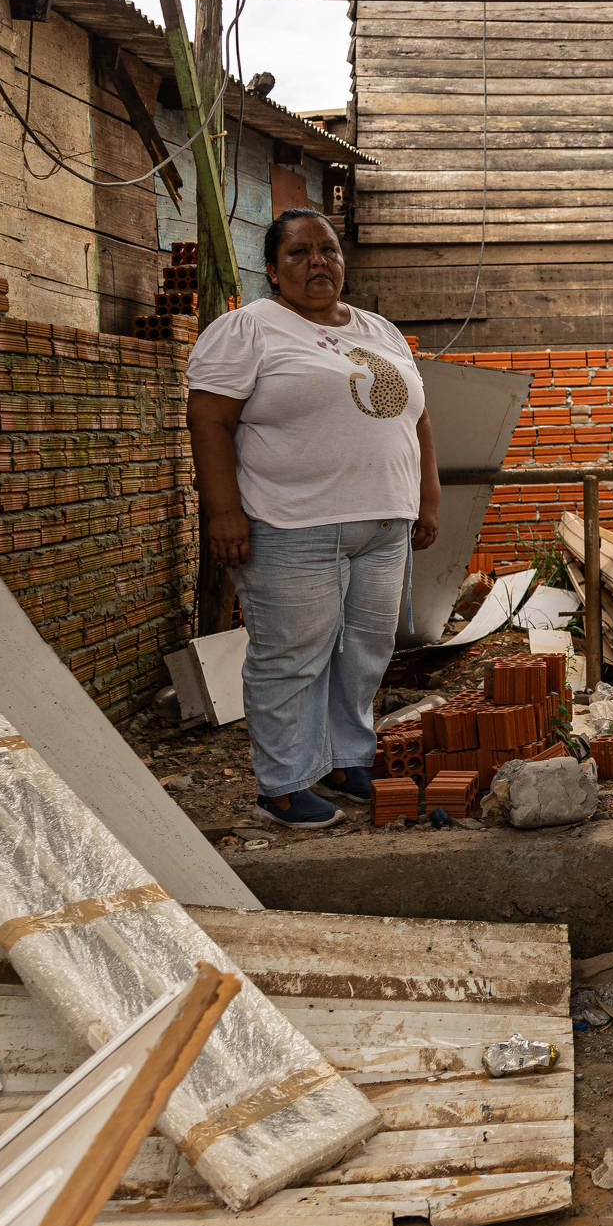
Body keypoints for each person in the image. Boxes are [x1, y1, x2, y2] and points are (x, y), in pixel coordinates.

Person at [184, 209, 441, 829]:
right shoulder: (248, 329)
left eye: (327, 250)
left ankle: (345, 760)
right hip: (291, 525)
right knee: (291, 655)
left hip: (382, 526)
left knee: (364, 653)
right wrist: (223, 513)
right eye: (297, 253)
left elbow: (418, 419)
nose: (316, 262)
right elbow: (209, 420)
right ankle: (282, 783)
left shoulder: (379, 329)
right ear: (272, 269)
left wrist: (426, 498)